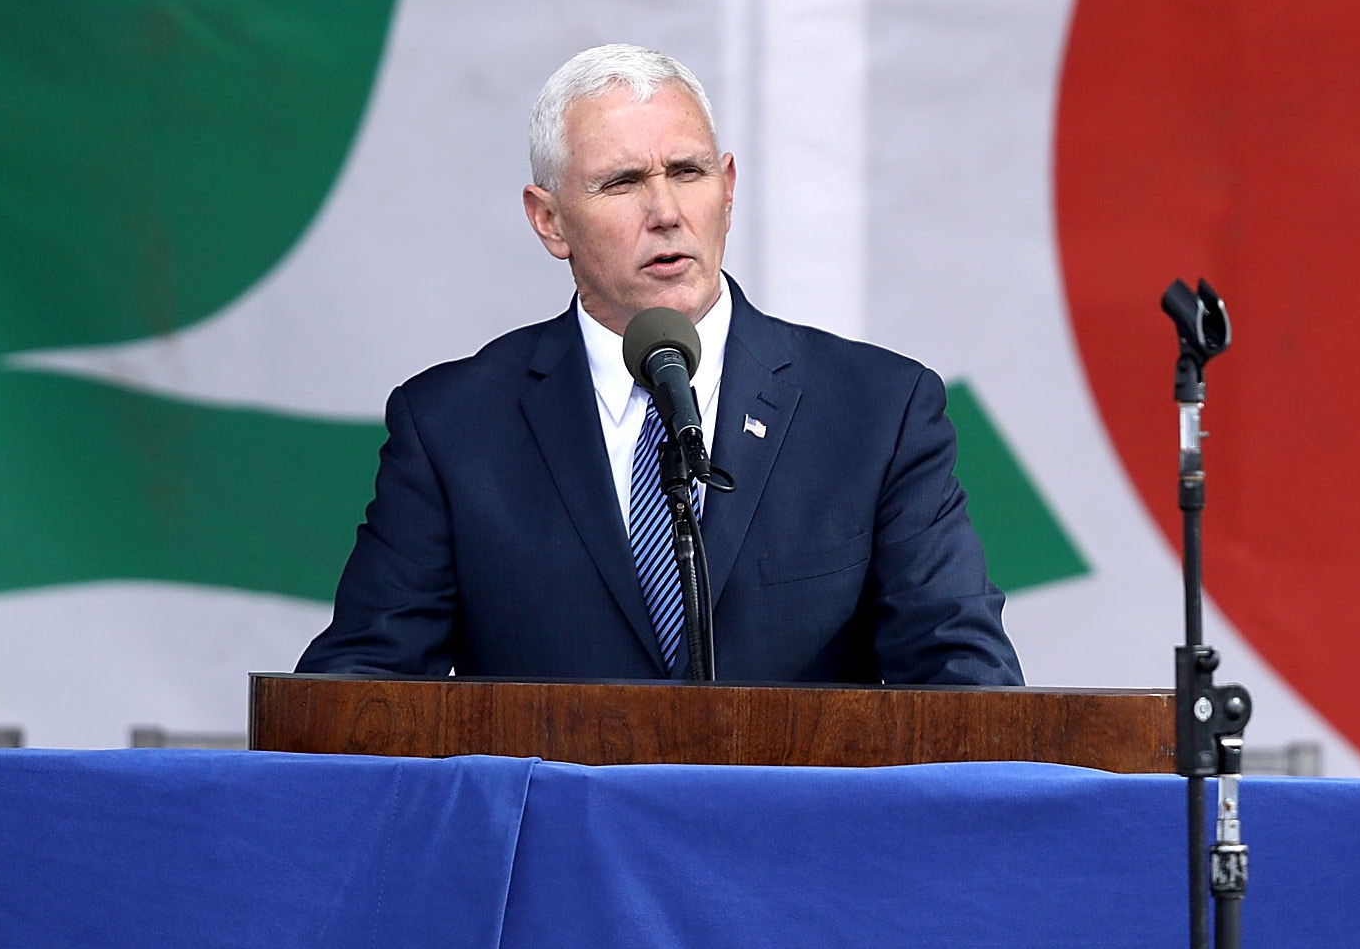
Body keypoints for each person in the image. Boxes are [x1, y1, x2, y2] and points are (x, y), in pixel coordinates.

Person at [297, 43, 1021, 684]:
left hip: (791, 837)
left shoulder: (877, 411)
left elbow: (963, 680)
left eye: (688, 171)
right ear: (549, 220)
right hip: (563, 837)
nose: (667, 210)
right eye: (622, 182)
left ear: (729, 188)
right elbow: (361, 689)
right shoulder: (453, 427)